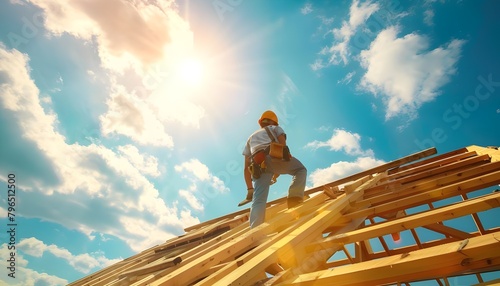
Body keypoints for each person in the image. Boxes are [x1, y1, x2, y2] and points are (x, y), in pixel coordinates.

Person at [242, 110, 307, 228]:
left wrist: (250, 189)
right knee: (301, 170)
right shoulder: (275, 128)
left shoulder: (250, 138)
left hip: (257, 167)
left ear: (260, 122)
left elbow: (246, 168)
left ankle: (255, 233)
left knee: (258, 201)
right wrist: (280, 165)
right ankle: (294, 199)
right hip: (272, 158)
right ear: (274, 122)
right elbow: (282, 147)